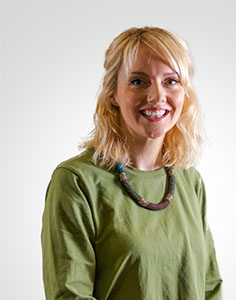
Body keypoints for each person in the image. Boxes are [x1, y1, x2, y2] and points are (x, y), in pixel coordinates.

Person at [41, 26, 223, 300]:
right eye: (138, 81)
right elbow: (70, 294)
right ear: (113, 93)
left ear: (184, 92)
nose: (156, 96)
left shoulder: (189, 180)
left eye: (171, 81)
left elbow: (209, 287)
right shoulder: (76, 181)